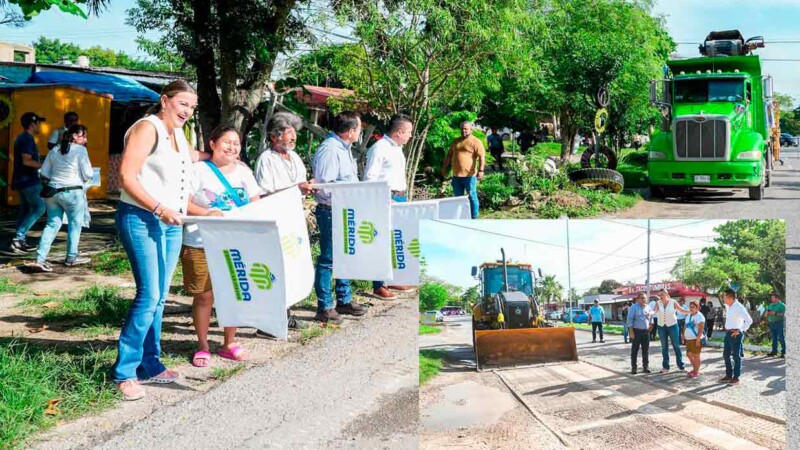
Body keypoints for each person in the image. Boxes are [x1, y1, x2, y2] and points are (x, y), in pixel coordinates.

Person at [111, 80, 215, 401]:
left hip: (171, 224)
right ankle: (124, 372)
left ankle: (150, 363)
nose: (188, 111)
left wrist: (221, 154)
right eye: (183, 103)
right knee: (149, 295)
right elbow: (125, 177)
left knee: (159, 298)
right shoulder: (147, 128)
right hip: (141, 218)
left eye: (192, 107)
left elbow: (192, 160)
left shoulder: (179, 135)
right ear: (165, 100)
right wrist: (158, 208)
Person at [183, 126, 262, 368]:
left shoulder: (244, 172)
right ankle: (203, 345)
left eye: (236, 143)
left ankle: (229, 343)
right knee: (204, 296)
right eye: (227, 142)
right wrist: (207, 213)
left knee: (233, 293)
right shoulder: (198, 170)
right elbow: (183, 203)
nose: (232, 147)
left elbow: (256, 203)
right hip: (199, 241)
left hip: (236, 242)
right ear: (212, 144)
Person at [312, 110, 368, 324]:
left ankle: (344, 299)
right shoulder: (330, 150)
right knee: (328, 259)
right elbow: (324, 186)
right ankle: (324, 306)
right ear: (351, 131)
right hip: (331, 210)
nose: (360, 133)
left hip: (345, 210)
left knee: (344, 255)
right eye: (359, 129)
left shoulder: (344, 149)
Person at [363, 114, 415, 297]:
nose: (410, 136)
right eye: (408, 132)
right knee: (382, 241)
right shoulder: (379, 148)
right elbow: (370, 179)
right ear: (399, 132)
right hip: (385, 199)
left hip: (399, 198)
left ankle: (392, 279)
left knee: (395, 240)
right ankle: (379, 285)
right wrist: (385, 198)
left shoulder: (398, 149)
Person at [28, 124, 93, 272]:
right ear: (75, 136)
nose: (86, 139)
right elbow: (88, 174)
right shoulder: (81, 150)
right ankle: (71, 258)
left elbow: (44, 172)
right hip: (73, 193)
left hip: (52, 193)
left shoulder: (55, 149)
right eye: (83, 136)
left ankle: (39, 259)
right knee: (74, 225)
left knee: (52, 224)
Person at [7, 112, 47, 255]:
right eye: (38, 123)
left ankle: (19, 241)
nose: (40, 126)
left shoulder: (22, 137)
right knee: (40, 207)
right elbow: (27, 161)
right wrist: (45, 166)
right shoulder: (27, 139)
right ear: (32, 124)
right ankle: (18, 238)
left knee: (25, 210)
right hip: (29, 181)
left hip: (22, 180)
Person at [254, 112, 314, 196]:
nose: (294, 137)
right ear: (274, 137)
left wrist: (310, 185)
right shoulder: (266, 159)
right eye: (289, 132)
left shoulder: (294, 157)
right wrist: (298, 188)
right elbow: (263, 195)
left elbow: (302, 184)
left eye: (295, 132)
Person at [441, 122, 485, 219]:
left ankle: (474, 216)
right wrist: (444, 167)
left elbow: (482, 157)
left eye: (465, 129)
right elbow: (449, 155)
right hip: (456, 176)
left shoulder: (476, 141)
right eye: (462, 129)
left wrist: (481, 170)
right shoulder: (456, 141)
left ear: (471, 130)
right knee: (458, 198)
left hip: (469, 175)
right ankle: (461, 216)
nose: (463, 130)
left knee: (472, 196)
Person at [720, 289, 753, 385]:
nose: (723, 298)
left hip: (736, 334)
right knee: (726, 355)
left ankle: (736, 377)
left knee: (736, 356)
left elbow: (749, 320)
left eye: (724, 297)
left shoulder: (739, 307)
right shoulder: (728, 306)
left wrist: (740, 330)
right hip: (728, 333)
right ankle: (728, 375)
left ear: (730, 298)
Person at [653, 289, 689, 373]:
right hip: (661, 326)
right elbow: (654, 311)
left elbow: (682, 311)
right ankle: (665, 367)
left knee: (676, 346)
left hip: (673, 326)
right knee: (664, 347)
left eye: (662, 294)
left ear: (666, 294)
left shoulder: (673, 302)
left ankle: (681, 366)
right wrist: (650, 313)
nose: (660, 296)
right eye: (659, 295)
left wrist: (692, 311)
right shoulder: (658, 303)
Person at [627, 293, 653, 374]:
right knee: (634, 350)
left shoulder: (648, 307)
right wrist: (631, 332)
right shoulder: (633, 307)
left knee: (645, 350)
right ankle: (634, 368)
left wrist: (651, 326)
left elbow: (651, 319)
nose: (643, 300)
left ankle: (645, 367)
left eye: (644, 298)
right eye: (641, 298)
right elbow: (630, 320)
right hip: (636, 331)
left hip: (646, 332)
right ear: (638, 299)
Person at [684, 300, 706, 378]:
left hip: (696, 338)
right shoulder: (688, 315)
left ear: (697, 308)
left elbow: (701, 329)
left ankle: (696, 371)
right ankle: (695, 369)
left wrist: (698, 339)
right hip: (688, 339)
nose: (691, 308)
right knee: (689, 354)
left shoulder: (700, 316)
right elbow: (685, 326)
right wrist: (683, 336)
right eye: (690, 307)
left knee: (696, 355)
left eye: (693, 307)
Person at [764, 293, 786, 358]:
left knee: (781, 338)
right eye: (771, 297)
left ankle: (784, 352)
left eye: (773, 297)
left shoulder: (782, 305)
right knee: (774, 338)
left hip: (779, 323)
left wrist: (775, 313)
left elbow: (784, 314)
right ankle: (774, 352)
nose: (771, 299)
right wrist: (766, 313)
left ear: (777, 298)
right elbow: (766, 314)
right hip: (771, 323)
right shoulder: (770, 305)